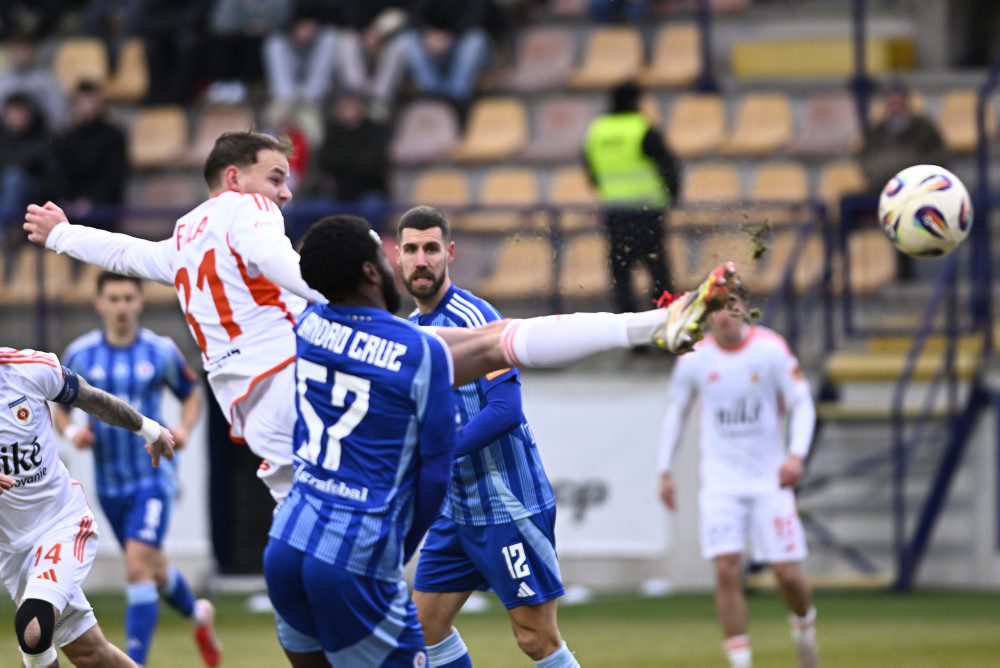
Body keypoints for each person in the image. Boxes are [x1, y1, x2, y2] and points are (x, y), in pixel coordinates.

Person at [24, 131, 741, 507]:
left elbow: (125, 252)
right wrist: (353, 296)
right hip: (302, 372)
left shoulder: (180, 239)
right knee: (485, 345)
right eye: (277, 175)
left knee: (313, 559)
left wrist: (60, 234)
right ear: (237, 177)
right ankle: (650, 328)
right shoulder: (246, 211)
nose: (286, 188)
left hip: (249, 411)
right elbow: (289, 269)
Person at [264, 214, 456, 667]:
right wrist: (399, 554)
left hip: (287, 541)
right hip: (355, 555)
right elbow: (435, 475)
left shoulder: (308, 325)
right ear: (371, 272)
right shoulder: (422, 350)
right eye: (381, 253)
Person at [398, 206, 577, 668]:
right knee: (424, 632)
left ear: (449, 254)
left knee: (536, 638)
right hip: (456, 510)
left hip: (507, 504)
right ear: (397, 256)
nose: (422, 260)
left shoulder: (476, 317)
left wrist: (437, 454)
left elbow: (506, 409)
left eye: (431, 249)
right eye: (412, 249)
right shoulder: (410, 332)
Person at [54, 272, 219, 667]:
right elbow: (57, 404)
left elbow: (191, 392)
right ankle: (199, 615)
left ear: (140, 302)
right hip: (110, 485)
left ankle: (136, 661)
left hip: (153, 478)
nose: (122, 306)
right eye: (113, 298)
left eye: (129, 297)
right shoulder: (81, 354)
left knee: (136, 565)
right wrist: (73, 430)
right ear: (100, 304)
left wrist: (182, 428)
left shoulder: (159, 351)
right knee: (154, 569)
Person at [656, 293, 819, 668]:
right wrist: (665, 470)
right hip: (721, 484)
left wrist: (796, 454)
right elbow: (676, 411)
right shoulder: (695, 357)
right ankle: (740, 663)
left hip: (769, 481)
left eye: (730, 307)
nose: (723, 317)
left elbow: (801, 402)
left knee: (787, 574)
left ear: (745, 307)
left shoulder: (771, 349)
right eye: (714, 310)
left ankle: (804, 628)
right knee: (727, 569)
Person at [0, 345, 175, 667]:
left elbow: (92, 399)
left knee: (34, 629)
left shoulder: (31, 368)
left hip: (60, 523)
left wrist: (149, 428)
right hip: (11, 549)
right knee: (91, 654)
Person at [583, 80, 681, 315]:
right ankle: (665, 326)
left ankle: (629, 335)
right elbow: (668, 165)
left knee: (621, 273)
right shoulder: (641, 128)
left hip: (615, 212)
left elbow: (591, 171)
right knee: (659, 273)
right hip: (647, 211)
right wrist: (672, 196)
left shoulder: (597, 131)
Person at [859, 81, 950, 281]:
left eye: (898, 101)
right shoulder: (877, 131)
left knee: (900, 215)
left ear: (906, 102)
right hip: (880, 187)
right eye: (890, 102)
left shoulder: (923, 127)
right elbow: (864, 158)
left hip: (914, 190)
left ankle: (906, 272)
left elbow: (941, 156)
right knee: (847, 206)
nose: (894, 106)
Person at [304, 92, 391, 229]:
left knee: (373, 207)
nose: (348, 109)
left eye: (352, 105)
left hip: (368, 189)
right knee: (307, 208)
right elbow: (325, 161)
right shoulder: (333, 130)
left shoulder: (374, 130)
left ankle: (373, 245)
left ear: (361, 107)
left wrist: (344, 163)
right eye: (344, 105)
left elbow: (372, 164)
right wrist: (350, 162)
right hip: (338, 192)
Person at [51, 81, 128, 233]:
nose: (87, 106)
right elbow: (59, 173)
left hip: (105, 206)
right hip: (71, 207)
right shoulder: (67, 138)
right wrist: (68, 200)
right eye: (83, 101)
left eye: (91, 100)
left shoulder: (113, 135)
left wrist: (91, 201)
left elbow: (114, 174)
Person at [0, 92, 52, 244]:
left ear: (29, 114)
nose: (16, 117)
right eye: (12, 112)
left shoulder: (43, 139)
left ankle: (4, 230)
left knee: (14, 178)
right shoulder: (2, 140)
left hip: (36, 199)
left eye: (20, 112)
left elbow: (52, 179)